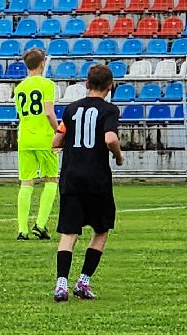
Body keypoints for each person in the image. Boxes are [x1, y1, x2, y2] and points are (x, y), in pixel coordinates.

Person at [52, 63, 122, 302]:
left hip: (70, 176)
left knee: (69, 232)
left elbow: (56, 140)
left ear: (86, 84)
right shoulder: (109, 110)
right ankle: (83, 281)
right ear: (110, 86)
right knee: (101, 229)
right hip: (96, 178)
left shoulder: (71, 109)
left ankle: (61, 284)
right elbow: (111, 138)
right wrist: (119, 155)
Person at [14, 47, 60, 240]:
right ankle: (40, 224)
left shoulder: (19, 87)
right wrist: (58, 131)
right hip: (44, 138)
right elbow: (48, 112)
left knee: (26, 182)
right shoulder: (47, 84)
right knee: (51, 179)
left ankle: (22, 229)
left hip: (24, 137)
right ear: (42, 63)